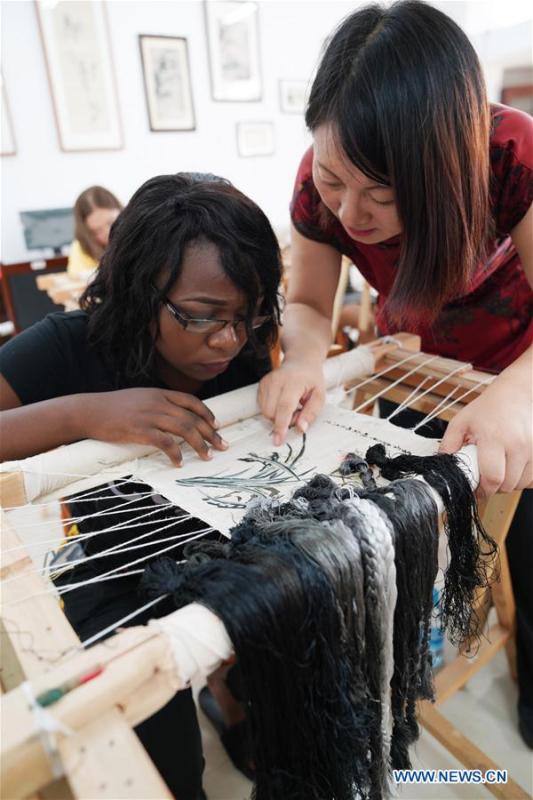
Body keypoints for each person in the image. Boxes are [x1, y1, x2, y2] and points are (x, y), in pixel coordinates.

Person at [257, 0, 533, 747]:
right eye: (335, 179)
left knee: (524, 539)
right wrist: (306, 357)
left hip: (520, 378)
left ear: (445, 161)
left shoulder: (509, 151)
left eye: (382, 193)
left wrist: (513, 391)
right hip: (412, 375)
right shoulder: (319, 182)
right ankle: (397, 680)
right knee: (403, 537)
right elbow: (311, 301)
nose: (350, 211)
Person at [0, 172, 282, 797]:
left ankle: (229, 700)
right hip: (116, 567)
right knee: (166, 770)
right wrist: (82, 415)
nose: (230, 341)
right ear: (136, 289)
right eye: (203, 318)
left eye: (250, 315)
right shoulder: (70, 347)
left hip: (227, 541)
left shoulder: (243, 341)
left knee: (287, 681)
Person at [67, 185, 122, 278]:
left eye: (112, 223)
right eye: (97, 231)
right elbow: (77, 278)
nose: (109, 233)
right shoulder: (81, 249)